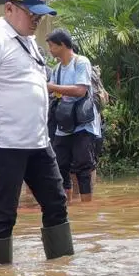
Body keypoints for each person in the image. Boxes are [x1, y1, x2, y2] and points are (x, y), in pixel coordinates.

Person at [0, 0, 73, 265]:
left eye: (40, 15)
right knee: (5, 211)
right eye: (31, 14)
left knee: (56, 202)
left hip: (37, 141)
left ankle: (61, 271)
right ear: (9, 8)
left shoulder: (28, 41)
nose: (36, 20)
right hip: (6, 141)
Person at [45, 28, 101, 203]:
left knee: (83, 168)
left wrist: (52, 88)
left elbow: (80, 89)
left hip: (83, 125)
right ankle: (66, 205)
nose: (50, 50)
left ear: (62, 45)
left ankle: (86, 208)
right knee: (61, 166)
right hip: (64, 125)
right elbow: (52, 93)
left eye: (52, 46)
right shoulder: (57, 69)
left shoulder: (81, 62)